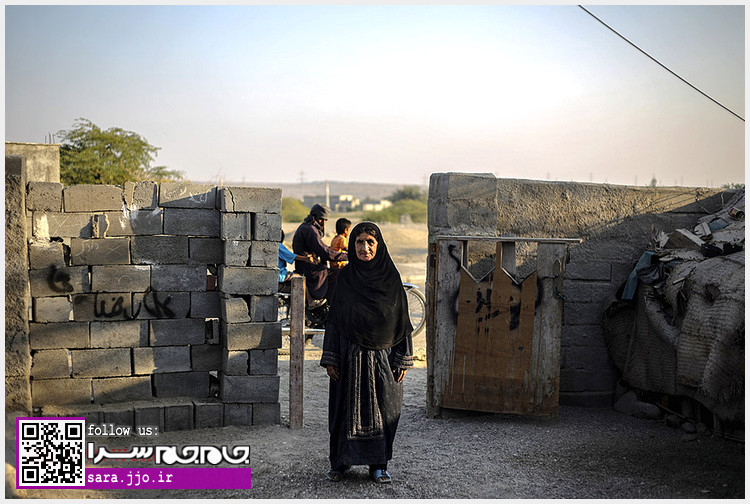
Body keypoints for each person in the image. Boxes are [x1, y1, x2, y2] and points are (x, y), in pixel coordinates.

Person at [320, 222, 414, 484]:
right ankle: (340, 463)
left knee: (384, 409)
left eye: (370, 242)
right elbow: (334, 319)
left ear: (379, 245)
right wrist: (331, 357)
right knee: (343, 410)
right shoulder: (346, 278)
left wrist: (402, 358)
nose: (365, 248)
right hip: (348, 356)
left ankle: (379, 465)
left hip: (383, 358)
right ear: (353, 246)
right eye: (359, 242)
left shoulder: (391, 278)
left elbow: (402, 321)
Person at [292, 204, 347, 307]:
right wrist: (347, 256)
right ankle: (323, 303)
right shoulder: (310, 230)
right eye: (322, 219)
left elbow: (322, 248)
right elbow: (325, 252)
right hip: (310, 268)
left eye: (325, 220)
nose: (324, 223)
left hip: (307, 266)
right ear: (316, 218)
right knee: (339, 273)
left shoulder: (306, 227)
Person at [326, 218, 351, 300]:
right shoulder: (342, 238)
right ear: (346, 230)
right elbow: (345, 248)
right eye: (349, 230)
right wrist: (353, 251)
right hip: (339, 264)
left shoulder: (335, 238)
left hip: (333, 264)